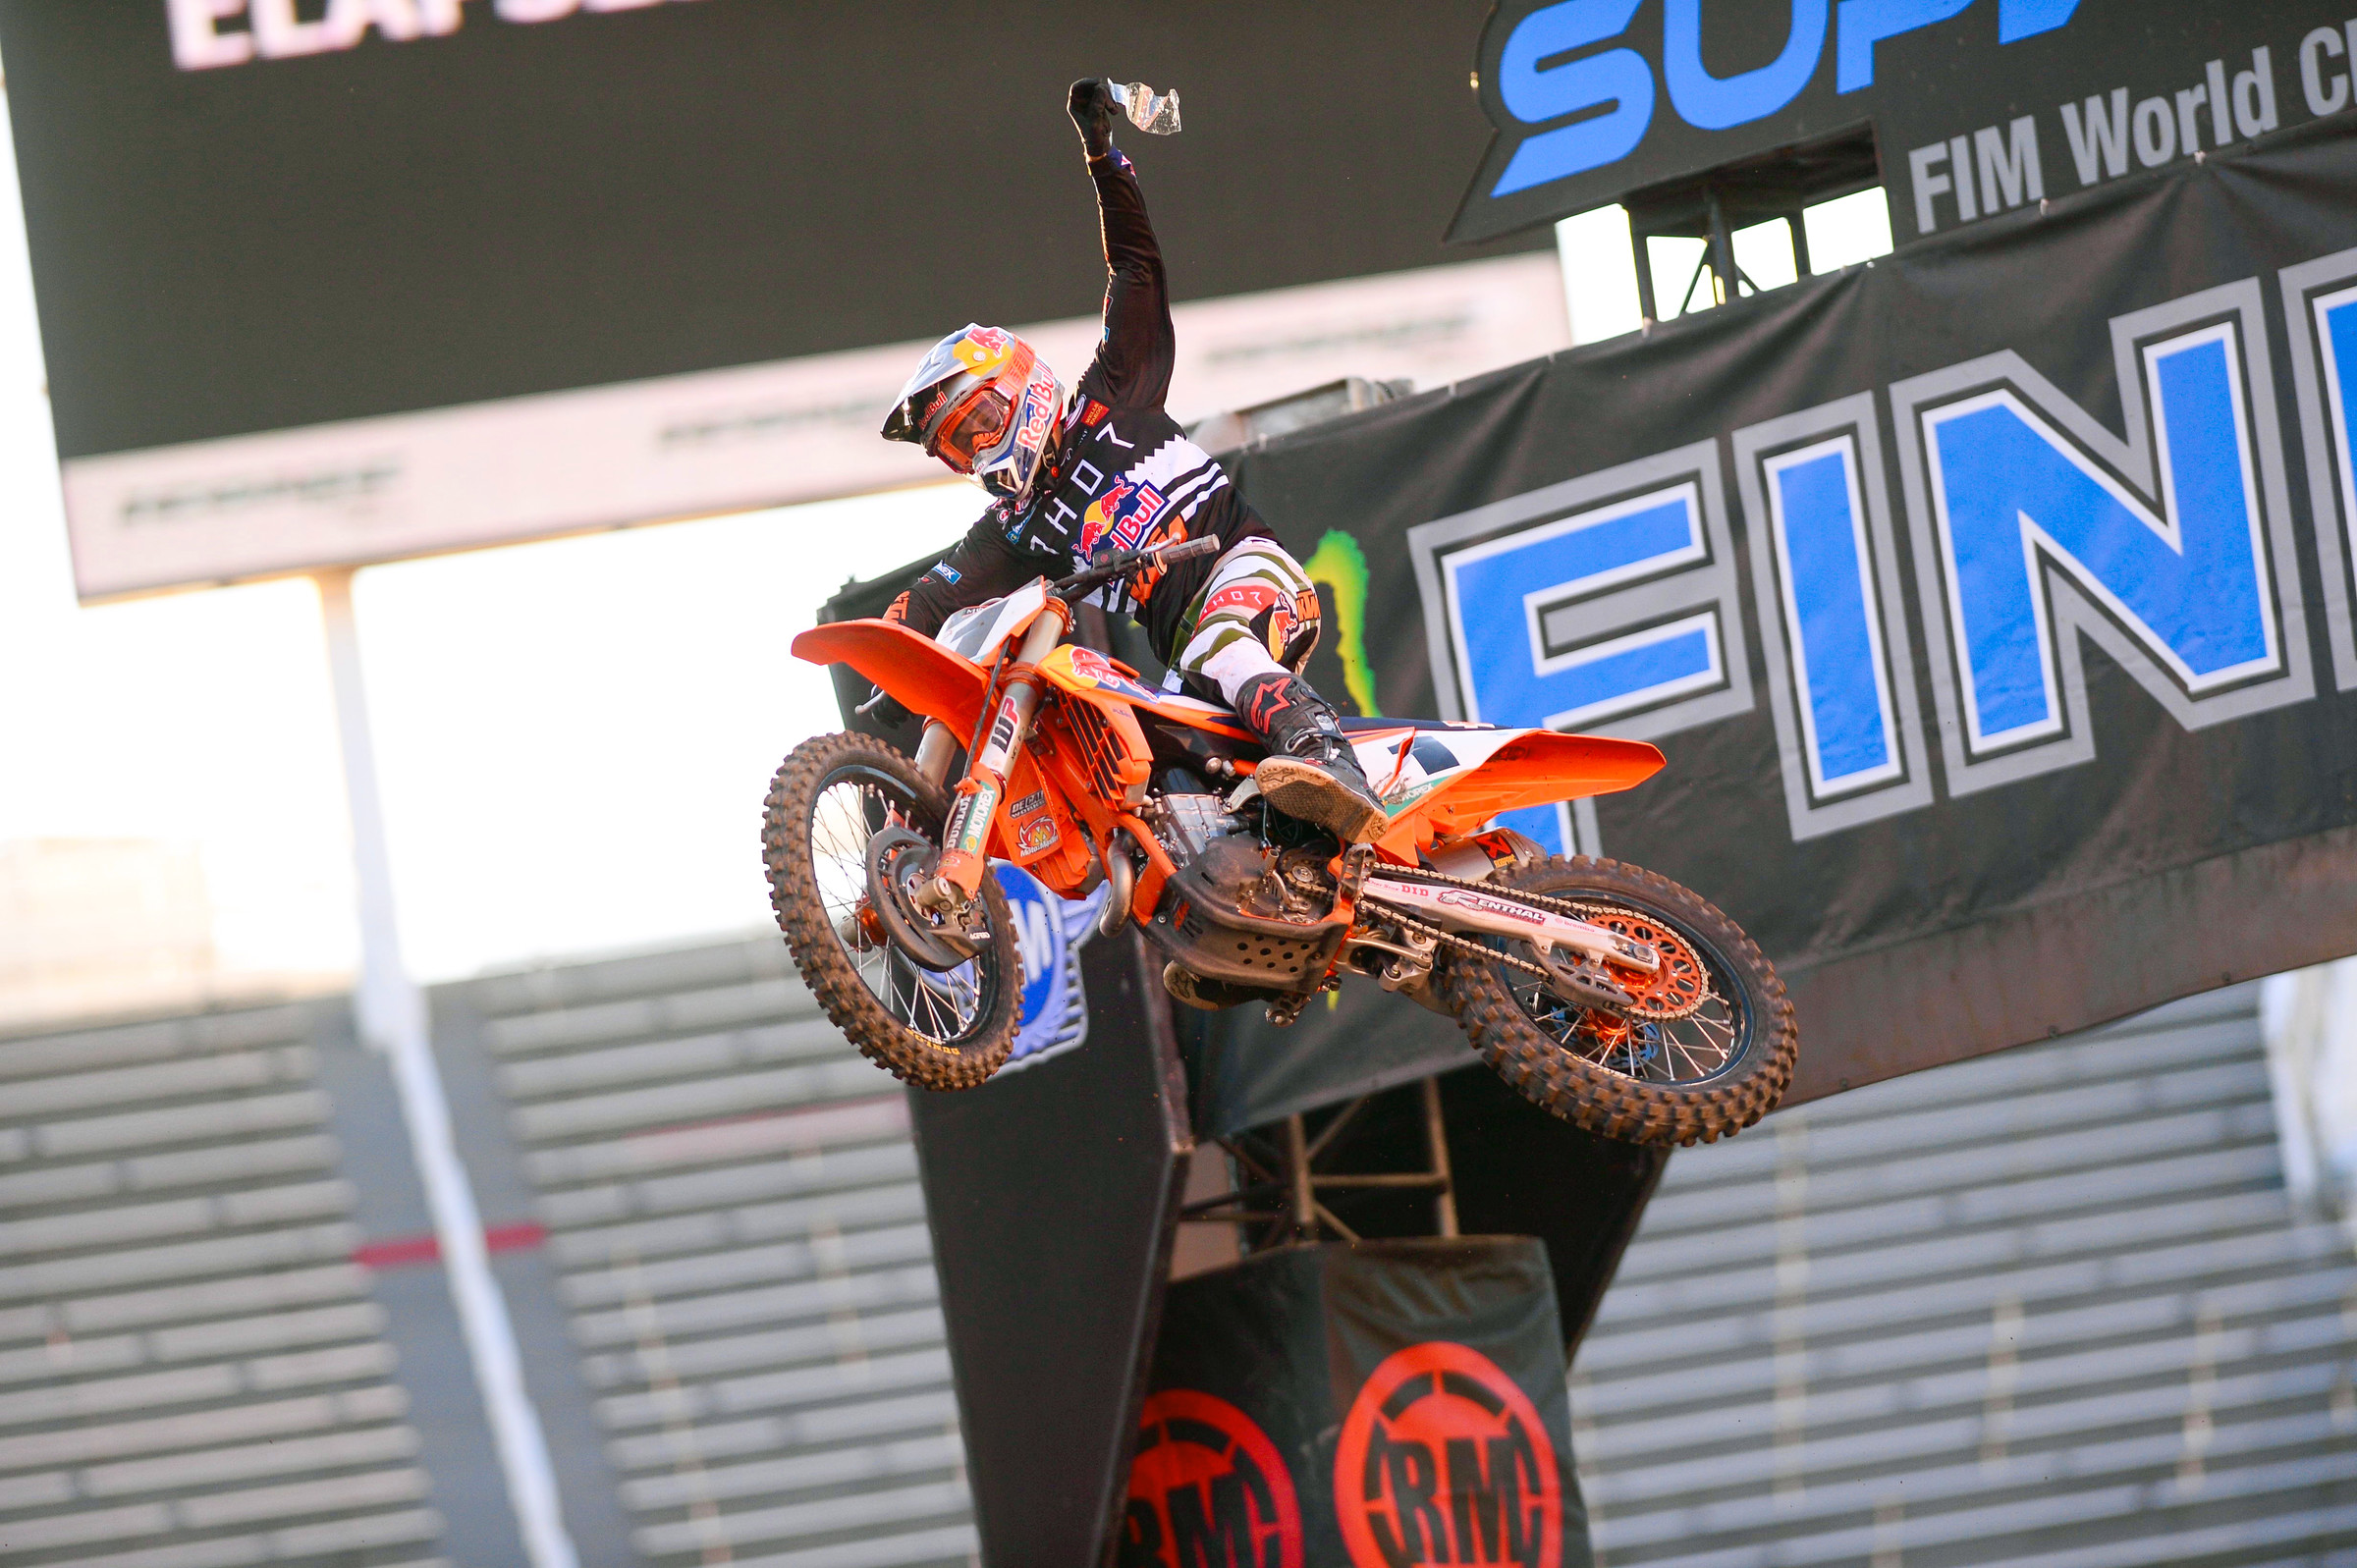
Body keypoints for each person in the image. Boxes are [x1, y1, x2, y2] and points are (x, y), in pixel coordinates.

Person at [878, 79, 1387, 846]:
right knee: (1173, 797)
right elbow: (927, 606)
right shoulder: (1013, 528)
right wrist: (883, 683)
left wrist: (1103, 158)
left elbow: (1137, 274)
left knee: (1219, 646)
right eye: (961, 441)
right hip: (1185, 655)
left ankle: (1326, 752)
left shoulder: (1112, 396)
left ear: (1022, 384)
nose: (981, 445)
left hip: (1249, 572)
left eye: (981, 417)